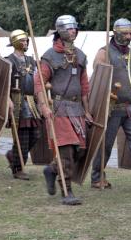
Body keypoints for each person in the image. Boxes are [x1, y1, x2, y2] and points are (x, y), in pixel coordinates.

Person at [90, 18, 131, 191]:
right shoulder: (104, 52)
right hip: (112, 107)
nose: (128, 37)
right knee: (106, 144)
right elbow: (97, 76)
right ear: (116, 33)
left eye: (130, 33)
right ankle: (97, 177)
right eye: (125, 34)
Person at [35, 15, 92, 205]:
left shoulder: (81, 56)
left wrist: (88, 109)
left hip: (76, 109)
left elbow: (84, 86)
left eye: (74, 28)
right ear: (60, 31)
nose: (73, 31)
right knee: (66, 151)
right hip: (59, 108)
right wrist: (43, 105)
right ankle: (67, 192)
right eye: (69, 28)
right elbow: (40, 83)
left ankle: (51, 170)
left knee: (80, 151)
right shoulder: (50, 56)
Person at [5, 29, 42, 180]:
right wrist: (7, 100)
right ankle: (18, 168)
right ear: (14, 42)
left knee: (37, 134)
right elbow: (3, 84)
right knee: (22, 137)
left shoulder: (31, 61)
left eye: (26, 40)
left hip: (31, 101)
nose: (25, 43)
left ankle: (12, 156)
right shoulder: (8, 61)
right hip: (17, 102)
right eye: (22, 40)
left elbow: (37, 80)